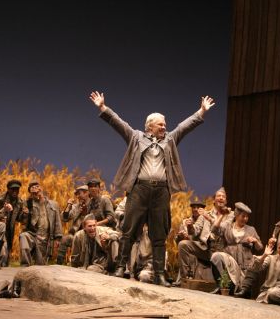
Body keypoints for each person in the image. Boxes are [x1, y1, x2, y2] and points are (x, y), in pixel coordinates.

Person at [89, 91, 215, 287]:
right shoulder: (137, 137)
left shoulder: (170, 140)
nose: (164, 127)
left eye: (165, 124)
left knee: (159, 234)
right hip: (139, 190)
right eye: (161, 124)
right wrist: (103, 108)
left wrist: (201, 111)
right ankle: (121, 267)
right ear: (150, 126)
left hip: (161, 192)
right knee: (128, 230)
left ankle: (159, 274)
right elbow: (119, 123)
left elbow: (184, 126)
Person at [210, 202, 263, 295]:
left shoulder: (251, 229)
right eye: (243, 216)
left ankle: (232, 287)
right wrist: (222, 215)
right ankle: (221, 286)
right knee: (216, 256)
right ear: (236, 215)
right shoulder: (228, 226)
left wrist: (255, 241)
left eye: (247, 217)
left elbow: (260, 248)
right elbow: (214, 229)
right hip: (229, 261)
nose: (245, 219)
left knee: (240, 290)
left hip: (244, 266)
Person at [19, 180, 62, 266]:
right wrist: (25, 214)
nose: (35, 188)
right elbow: (22, 221)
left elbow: (57, 221)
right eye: (32, 187)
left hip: (47, 238)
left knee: (40, 265)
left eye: (37, 186)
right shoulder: (27, 203)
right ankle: (25, 265)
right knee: (24, 236)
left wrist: (58, 238)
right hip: (33, 234)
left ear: (41, 189)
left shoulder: (53, 204)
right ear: (30, 191)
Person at [177, 201, 214, 281]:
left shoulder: (207, 219)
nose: (196, 209)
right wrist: (181, 236)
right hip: (190, 250)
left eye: (198, 208)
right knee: (182, 245)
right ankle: (184, 278)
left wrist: (190, 229)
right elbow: (179, 241)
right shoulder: (186, 222)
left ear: (203, 210)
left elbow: (196, 231)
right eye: (194, 207)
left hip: (204, 250)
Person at [56, 185, 90, 265]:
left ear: (86, 193)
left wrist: (85, 212)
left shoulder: (93, 204)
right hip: (75, 236)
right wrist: (68, 206)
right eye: (77, 194)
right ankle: (59, 264)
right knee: (65, 239)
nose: (77, 196)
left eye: (79, 193)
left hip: (89, 235)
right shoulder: (76, 207)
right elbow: (64, 218)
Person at [0, 179, 27, 262]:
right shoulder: (0, 200)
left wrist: (24, 214)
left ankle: (4, 265)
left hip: (10, 228)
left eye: (17, 189)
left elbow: (19, 219)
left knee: (8, 248)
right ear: (8, 189)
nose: (15, 191)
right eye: (12, 189)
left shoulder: (20, 202)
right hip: (0, 228)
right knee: (3, 249)